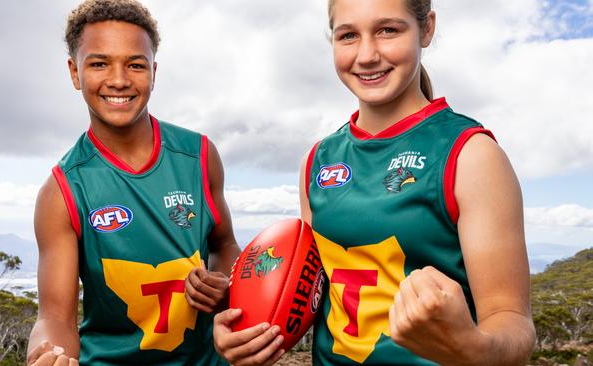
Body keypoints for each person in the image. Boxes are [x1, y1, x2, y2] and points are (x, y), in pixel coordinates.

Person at [213, 0, 536, 365]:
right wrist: (246, 325)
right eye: (348, 35)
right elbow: (305, 287)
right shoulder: (318, 159)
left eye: (388, 30)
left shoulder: (470, 154)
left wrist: (474, 349)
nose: (367, 55)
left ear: (426, 29)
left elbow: (512, 323)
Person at [26, 1, 240, 365]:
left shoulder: (199, 155)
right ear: (75, 73)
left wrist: (225, 287)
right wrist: (47, 353)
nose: (119, 80)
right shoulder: (62, 191)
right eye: (98, 63)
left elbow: (225, 245)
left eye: (135, 64)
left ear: (153, 72)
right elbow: (55, 317)